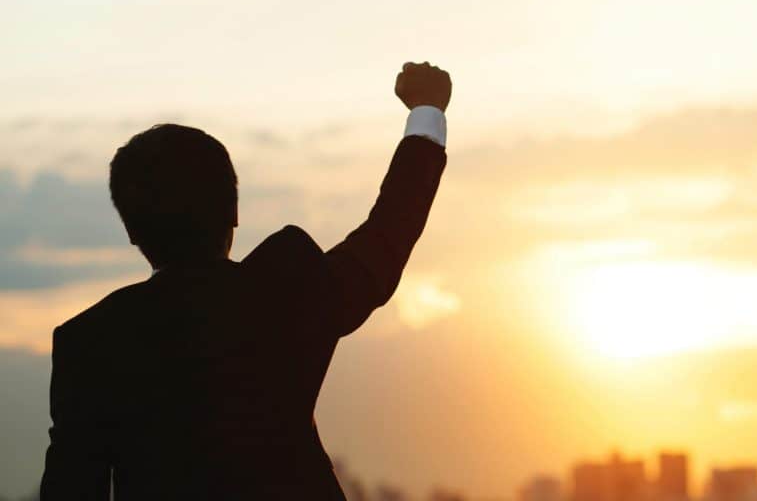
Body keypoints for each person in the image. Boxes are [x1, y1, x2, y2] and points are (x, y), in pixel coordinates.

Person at [39, 62, 452, 500]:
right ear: (233, 212)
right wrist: (426, 113)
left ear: (132, 232)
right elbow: (384, 240)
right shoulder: (284, 292)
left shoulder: (88, 343)